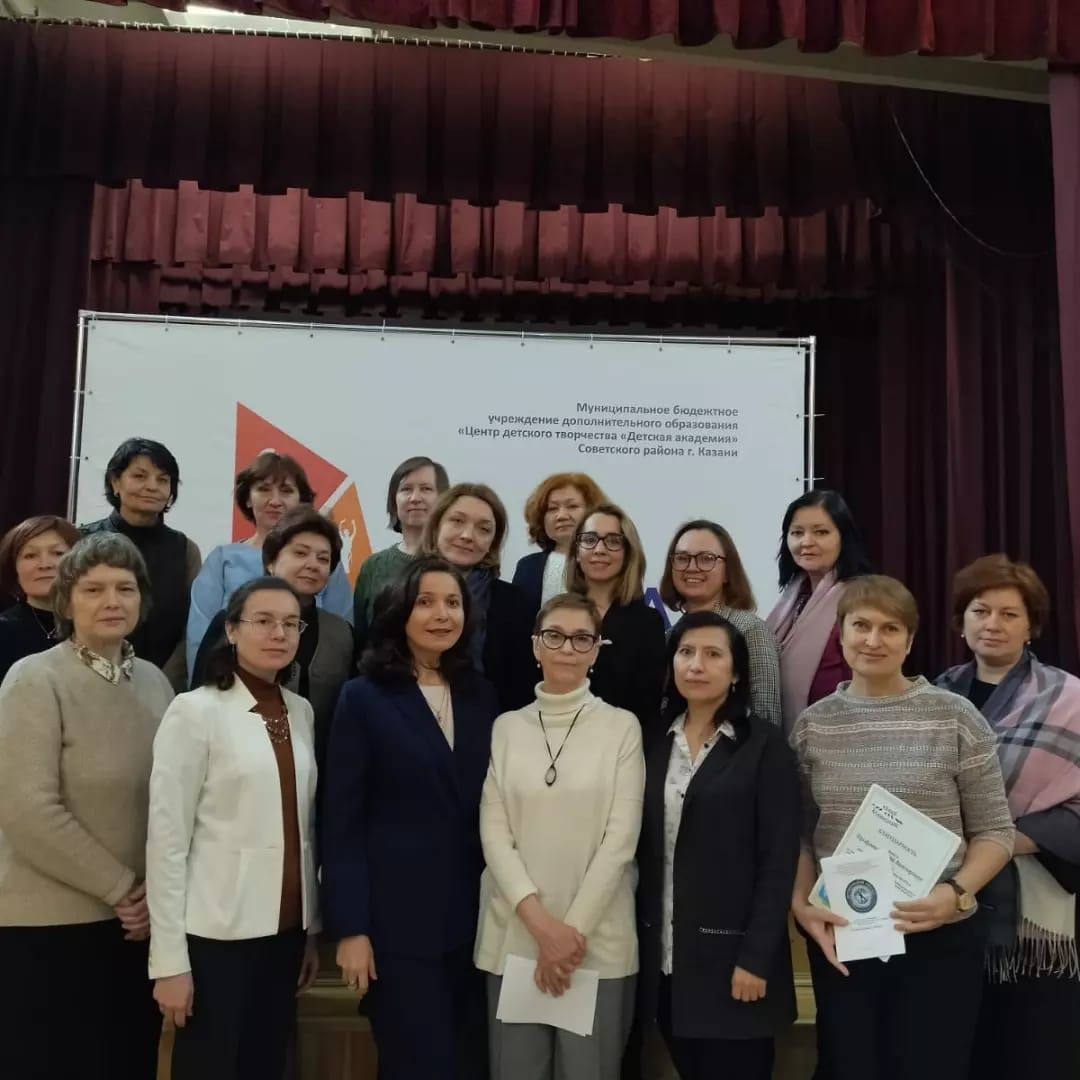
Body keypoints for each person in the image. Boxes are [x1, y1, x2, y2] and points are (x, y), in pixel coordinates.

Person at [790, 575, 1015, 1080]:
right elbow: (800, 835)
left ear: (909, 641)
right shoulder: (812, 726)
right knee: (848, 1067)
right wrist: (802, 904)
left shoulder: (955, 717)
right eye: (861, 625)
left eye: (890, 628)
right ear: (840, 634)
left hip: (938, 934)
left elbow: (996, 832)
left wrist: (955, 894)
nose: (873, 640)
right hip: (845, 932)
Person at [0, 533, 174, 1080]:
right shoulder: (34, 678)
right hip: (50, 927)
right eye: (93, 589)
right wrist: (121, 888)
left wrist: (148, 897)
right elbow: (27, 810)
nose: (112, 601)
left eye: (125, 588)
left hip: (135, 927)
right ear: (66, 600)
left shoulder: (156, 683)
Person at [321, 557, 498, 1080]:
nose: (442, 614)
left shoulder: (480, 694)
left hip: (474, 923)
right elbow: (342, 823)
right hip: (395, 927)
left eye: (453, 603)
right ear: (400, 612)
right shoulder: (363, 697)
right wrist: (351, 930)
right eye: (426, 602)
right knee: (416, 1064)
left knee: (468, 1064)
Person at [147, 576, 321, 1080]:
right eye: (263, 621)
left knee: (265, 1065)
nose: (279, 633)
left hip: (285, 934)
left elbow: (302, 829)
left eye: (291, 623)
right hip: (216, 934)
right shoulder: (194, 711)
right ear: (231, 630)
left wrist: (310, 931)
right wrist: (169, 961)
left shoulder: (300, 711)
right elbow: (166, 841)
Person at [477, 592, 644, 1080]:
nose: (567, 648)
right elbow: (494, 833)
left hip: (595, 943)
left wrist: (567, 937)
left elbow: (620, 842)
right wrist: (544, 931)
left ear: (596, 650)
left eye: (581, 639)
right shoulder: (507, 728)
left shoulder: (621, 727)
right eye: (554, 636)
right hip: (514, 936)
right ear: (535, 646)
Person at [637, 611, 800, 1080]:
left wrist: (756, 958)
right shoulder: (652, 740)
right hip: (667, 963)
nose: (696, 665)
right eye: (686, 652)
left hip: (736, 965)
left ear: (737, 672)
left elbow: (778, 860)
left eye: (713, 654)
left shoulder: (764, 746)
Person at [936, 555, 1080, 1080]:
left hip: (1034, 904)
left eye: (1009, 614)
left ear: (1032, 625)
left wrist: (1004, 842)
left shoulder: (1070, 699)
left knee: (1031, 1051)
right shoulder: (932, 696)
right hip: (943, 899)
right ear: (961, 621)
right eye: (980, 611)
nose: (992, 624)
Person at [190, 507, 354, 771]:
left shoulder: (342, 632)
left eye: (323, 559)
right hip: (235, 771)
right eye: (300, 553)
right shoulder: (233, 621)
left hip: (321, 773)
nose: (313, 564)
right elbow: (200, 700)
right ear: (271, 561)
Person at [187, 450, 353, 676]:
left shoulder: (322, 563)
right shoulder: (222, 559)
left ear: (301, 500)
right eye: (264, 489)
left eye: (286, 491)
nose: (275, 501)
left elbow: (342, 637)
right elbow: (199, 640)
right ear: (248, 498)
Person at [81, 436, 202, 689]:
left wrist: (160, 683)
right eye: (139, 476)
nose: (152, 487)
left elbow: (192, 627)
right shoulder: (81, 541)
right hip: (89, 680)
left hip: (165, 687)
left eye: (163, 480)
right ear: (115, 482)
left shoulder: (185, 550)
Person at [422, 482, 535, 712]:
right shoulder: (400, 590)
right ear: (436, 527)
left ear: (493, 543)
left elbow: (522, 688)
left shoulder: (515, 603)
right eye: (457, 521)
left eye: (483, 529)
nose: (467, 536)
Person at [766, 489, 871, 733]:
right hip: (783, 744)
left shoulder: (864, 599)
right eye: (797, 533)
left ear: (844, 537)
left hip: (842, 736)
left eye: (821, 532)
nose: (806, 542)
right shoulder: (793, 596)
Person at [658, 519, 782, 726]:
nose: (692, 567)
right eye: (682, 558)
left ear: (727, 572)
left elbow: (766, 715)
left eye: (706, 559)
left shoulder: (750, 629)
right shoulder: (669, 636)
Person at [566, 503, 666, 747]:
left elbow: (647, 708)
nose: (599, 549)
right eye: (589, 540)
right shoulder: (556, 615)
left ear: (628, 553)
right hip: (558, 745)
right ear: (576, 551)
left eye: (613, 541)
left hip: (623, 750)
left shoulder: (647, 622)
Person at [352, 455, 449, 644]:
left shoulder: (453, 562)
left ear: (443, 498)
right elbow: (362, 639)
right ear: (394, 501)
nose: (415, 498)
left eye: (426, 489)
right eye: (406, 489)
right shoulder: (373, 566)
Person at [0, 514, 81, 683]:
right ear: (14, 567)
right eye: (30, 555)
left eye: (58, 553)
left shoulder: (98, 624)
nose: (45, 564)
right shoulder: (4, 630)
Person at [512, 472, 605, 615]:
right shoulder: (528, 567)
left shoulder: (609, 563)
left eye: (572, 506)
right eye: (552, 509)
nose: (561, 516)